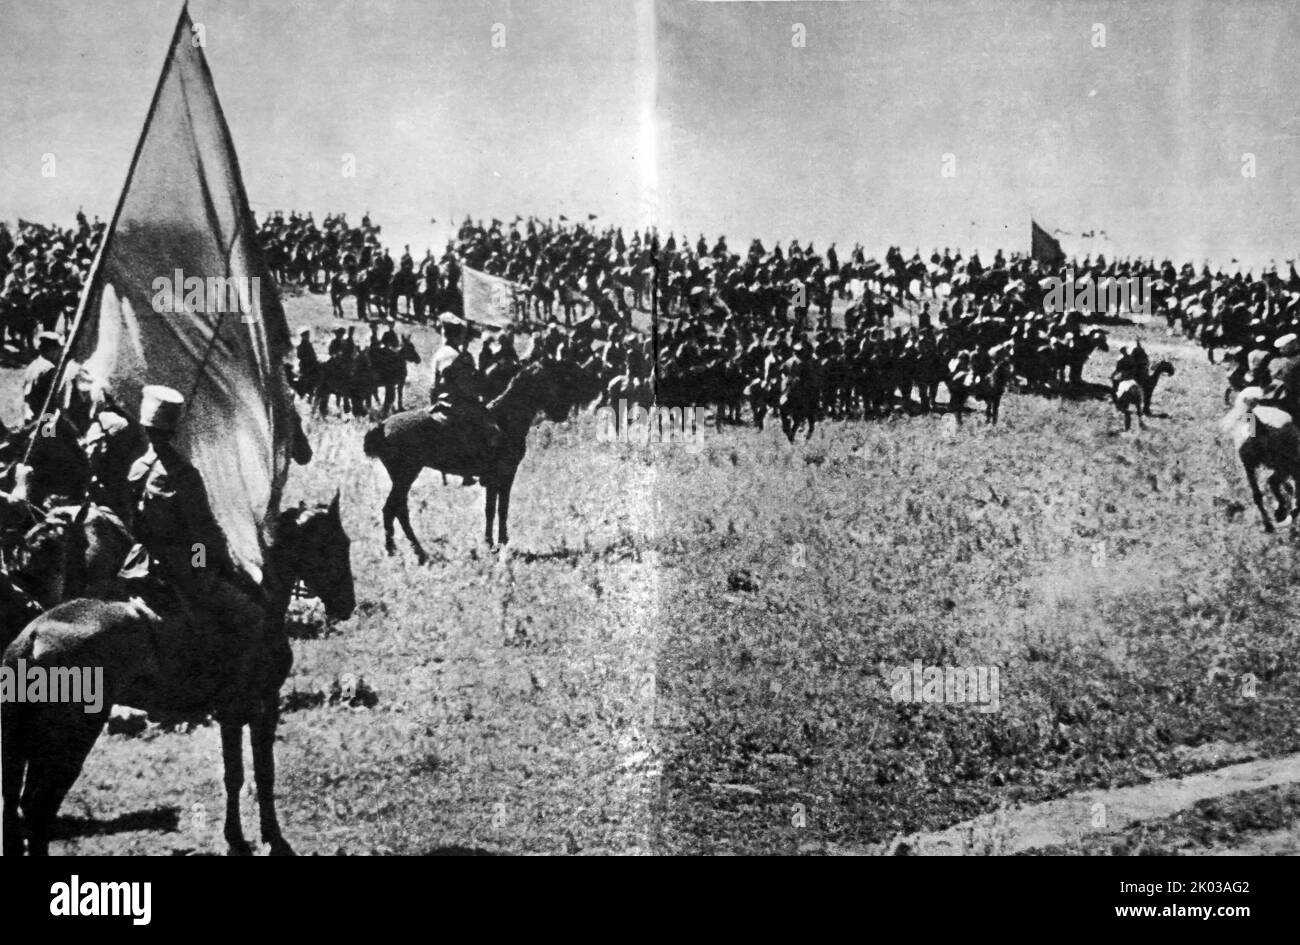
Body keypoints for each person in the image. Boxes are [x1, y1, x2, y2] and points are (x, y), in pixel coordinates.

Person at [119, 385, 265, 652]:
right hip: (184, 563)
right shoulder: (183, 474)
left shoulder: (136, 469)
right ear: (175, 429)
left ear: (145, 427)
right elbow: (202, 534)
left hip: (141, 559)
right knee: (252, 617)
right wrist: (208, 564)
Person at [429, 312, 498, 485]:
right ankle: (478, 471)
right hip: (457, 403)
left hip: (440, 403)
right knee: (486, 427)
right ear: (457, 335)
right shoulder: (458, 357)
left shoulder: (439, 354)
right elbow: (466, 387)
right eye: (462, 335)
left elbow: (433, 386)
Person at [22, 331, 62, 423]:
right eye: (57, 348)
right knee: (47, 433)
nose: (59, 351)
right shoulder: (40, 367)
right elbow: (26, 392)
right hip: (39, 410)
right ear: (48, 349)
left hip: (46, 409)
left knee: (48, 432)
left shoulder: (46, 365)